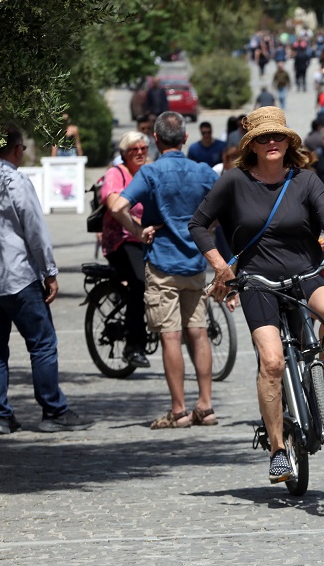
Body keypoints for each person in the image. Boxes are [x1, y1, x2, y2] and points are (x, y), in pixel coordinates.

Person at [189, 106, 324, 483]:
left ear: (288, 142)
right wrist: (221, 266)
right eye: (264, 138)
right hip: (257, 283)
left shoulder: (305, 180)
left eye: (278, 137)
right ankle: (277, 448)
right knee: (271, 363)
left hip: (305, 274)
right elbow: (199, 224)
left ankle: (322, 370)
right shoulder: (234, 182)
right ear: (251, 144)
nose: (272, 143)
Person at [0, 125, 94, 434]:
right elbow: (35, 231)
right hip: (18, 276)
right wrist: (50, 272)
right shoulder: (16, 180)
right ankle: (53, 410)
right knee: (42, 343)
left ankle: (1, 416)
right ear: (15, 149)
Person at [110, 111, 220, 429]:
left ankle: (179, 410)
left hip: (162, 264)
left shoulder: (150, 172)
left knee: (171, 337)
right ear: (186, 138)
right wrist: (208, 229)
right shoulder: (202, 171)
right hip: (195, 262)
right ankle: (206, 406)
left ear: (155, 139)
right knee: (198, 333)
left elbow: (117, 206)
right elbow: (224, 205)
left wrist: (137, 230)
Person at [101, 132, 153, 370]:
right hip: (121, 240)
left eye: (143, 148)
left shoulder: (148, 171)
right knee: (139, 283)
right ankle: (134, 345)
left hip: (147, 237)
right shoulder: (116, 174)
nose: (140, 152)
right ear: (124, 154)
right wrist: (137, 229)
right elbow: (113, 206)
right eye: (134, 150)